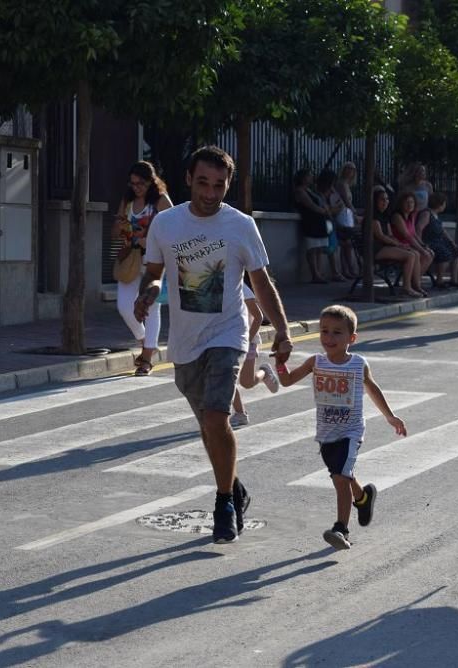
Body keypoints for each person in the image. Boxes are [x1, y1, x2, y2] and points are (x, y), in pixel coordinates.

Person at [135, 145, 293, 543]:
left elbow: (261, 283)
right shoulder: (165, 225)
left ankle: (223, 502)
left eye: (219, 185)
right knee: (209, 427)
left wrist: (284, 332)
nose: (210, 192)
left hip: (228, 333)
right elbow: (154, 273)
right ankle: (236, 488)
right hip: (185, 341)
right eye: (203, 182)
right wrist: (148, 292)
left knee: (215, 417)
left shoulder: (239, 225)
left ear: (228, 185)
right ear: (188, 179)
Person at [274, 305, 407, 550]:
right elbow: (287, 380)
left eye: (337, 332)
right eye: (324, 331)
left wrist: (390, 416)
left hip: (351, 432)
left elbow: (372, 388)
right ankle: (363, 498)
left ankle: (341, 529)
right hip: (326, 434)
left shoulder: (358, 364)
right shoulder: (316, 362)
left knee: (339, 478)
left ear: (351, 338)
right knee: (342, 474)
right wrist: (281, 363)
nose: (329, 337)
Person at [114, 161, 173, 376]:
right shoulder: (128, 200)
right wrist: (121, 227)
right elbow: (116, 227)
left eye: (140, 183)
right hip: (131, 259)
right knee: (124, 306)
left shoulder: (160, 200)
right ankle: (145, 340)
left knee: (151, 307)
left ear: (151, 181)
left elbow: (173, 227)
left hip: (154, 260)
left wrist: (150, 239)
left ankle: (147, 357)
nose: (136, 187)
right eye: (132, 183)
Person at [230, 282, 280, 429]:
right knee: (226, 378)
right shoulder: (215, 287)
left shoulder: (242, 288)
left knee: (247, 382)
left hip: (248, 341)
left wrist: (247, 340)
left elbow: (258, 317)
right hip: (226, 341)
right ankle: (240, 414)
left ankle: (264, 372)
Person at [366, 186, 421, 298]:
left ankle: (416, 285)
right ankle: (406, 287)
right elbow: (381, 236)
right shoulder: (373, 217)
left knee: (414, 253)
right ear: (375, 201)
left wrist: (399, 244)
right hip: (375, 249)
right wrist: (399, 245)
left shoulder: (385, 216)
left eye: (386, 199)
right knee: (410, 256)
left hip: (386, 247)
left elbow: (390, 235)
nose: (385, 202)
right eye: (382, 199)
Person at [293, 168, 334, 283]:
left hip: (319, 222)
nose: (311, 178)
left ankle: (319, 273)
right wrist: (324, 211)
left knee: (320, 248)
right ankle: (315, 274)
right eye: (309, 176)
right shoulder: (300, 191)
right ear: (302, 178)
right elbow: (310, 205)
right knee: (312, 248)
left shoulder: (310, 190)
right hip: (310, 222)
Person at [417, 192, 458, 288]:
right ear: (440, 204)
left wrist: (452, 243)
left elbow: (442, 231)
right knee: (445, 253)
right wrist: (420, 244)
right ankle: (439, 280)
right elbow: (419, 228)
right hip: (429, 242)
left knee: (457, 251)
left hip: (438, 241)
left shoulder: (436, 214)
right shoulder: (427, 213)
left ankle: (454, 280)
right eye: (444, 203)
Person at [389, 191, 434, 294]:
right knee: (419, 254)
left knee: (430, 254)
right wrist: (421, 249)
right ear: (401, 203)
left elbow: (413, 234)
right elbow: (407, 236)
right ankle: (413, 284)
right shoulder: (397, 216)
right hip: (400, 244)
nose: (410, 205)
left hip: (410, 244)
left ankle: (414, 282)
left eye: (412, 202)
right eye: (407, 202)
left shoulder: (411, 216)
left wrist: (423, 246)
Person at [316, 169, 352, 280]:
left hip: (330, 222)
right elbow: (327, 210)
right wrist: (335, 208)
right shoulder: (320, 194)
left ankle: (335, 272)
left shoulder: (331, 192)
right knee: (323, 247)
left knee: (333, 247)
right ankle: (324, 272)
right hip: (322, 222)